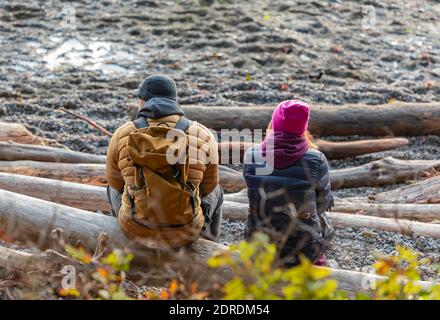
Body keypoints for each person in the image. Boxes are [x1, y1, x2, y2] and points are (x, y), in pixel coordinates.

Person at [106, 74, 223, 246]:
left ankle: (120, 246)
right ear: (174, 100)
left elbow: (115, 183)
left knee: (111, 188)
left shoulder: (123, 133)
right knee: (218, 192)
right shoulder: (202, 134)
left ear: (142, 101)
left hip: (136, 228)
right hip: (186, 230)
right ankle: (211, 246)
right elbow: (208, 187)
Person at [243, 100, 334, 266]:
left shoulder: (252, 154)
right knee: (322, 219)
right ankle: (318, 265)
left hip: (259, 243)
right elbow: (324, 203)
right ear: (302, 128)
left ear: (274, 123)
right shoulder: (316, 159)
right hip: (304, 250)